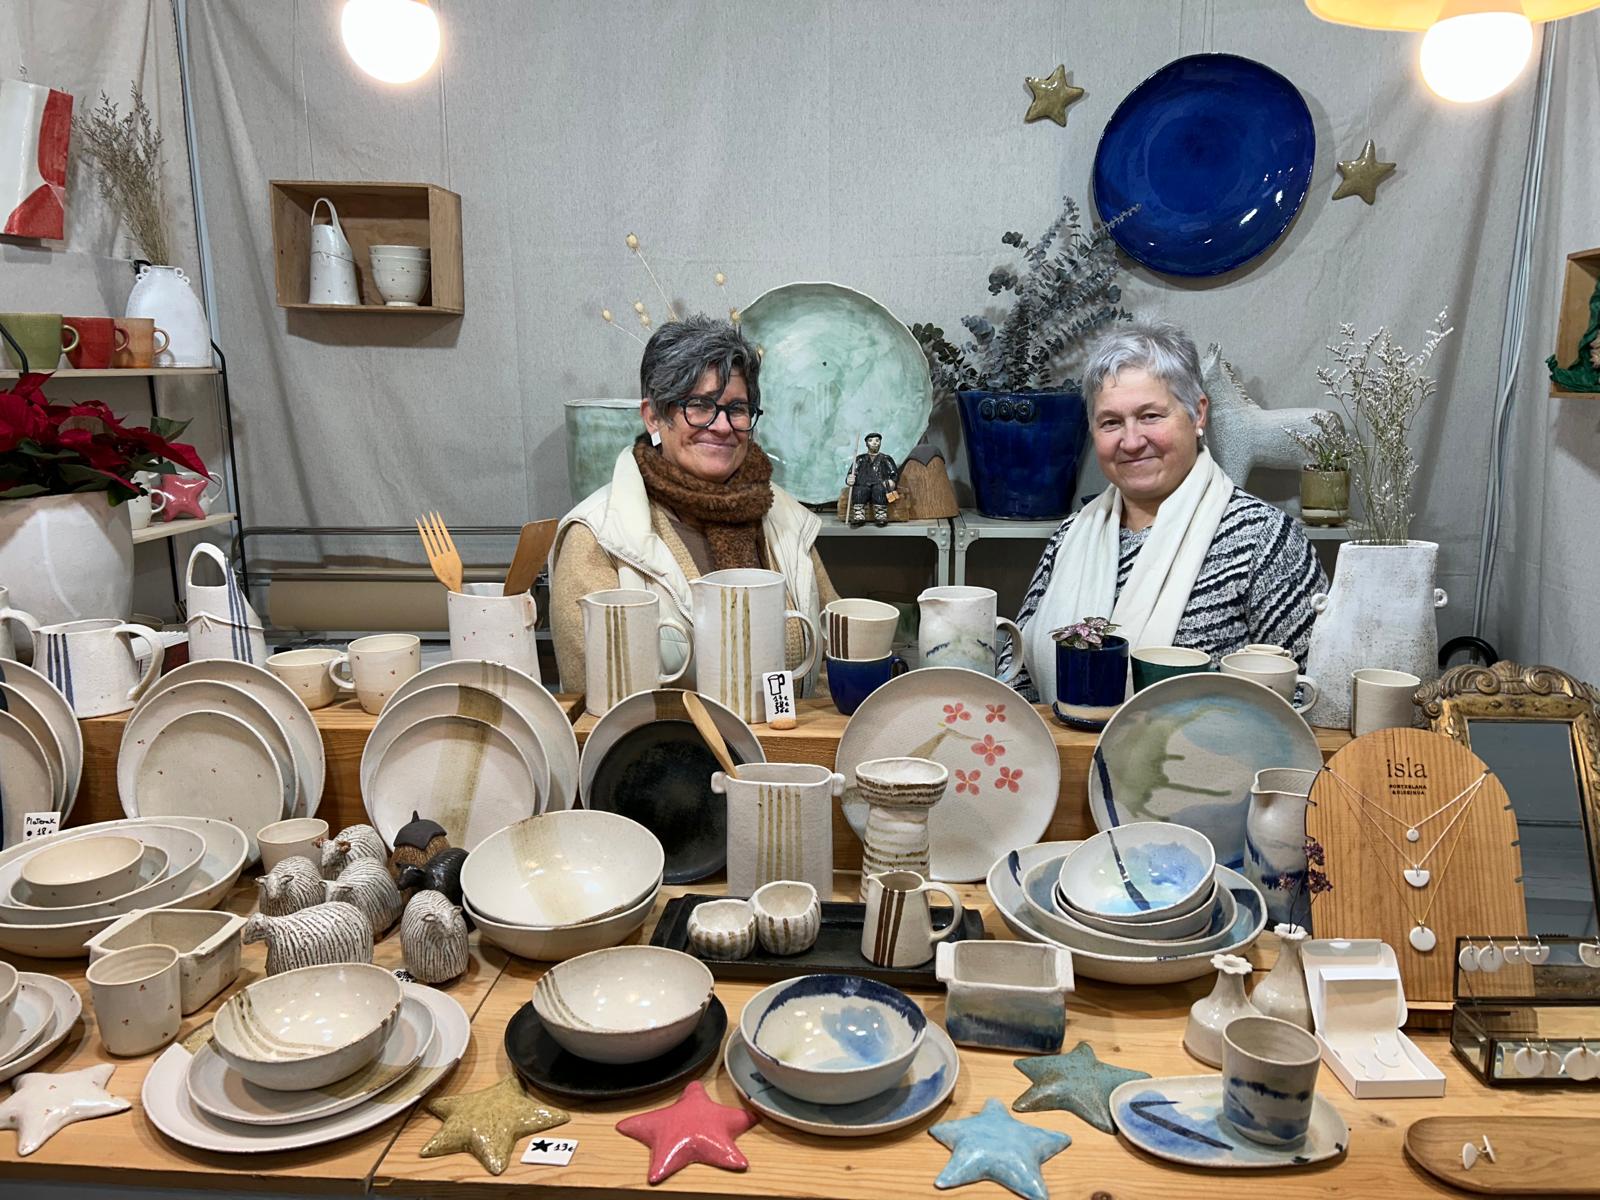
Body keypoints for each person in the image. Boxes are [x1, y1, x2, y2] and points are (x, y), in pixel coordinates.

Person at [1000, 320, 1328, 702]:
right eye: (1111, 422)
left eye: (1151, 416)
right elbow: (1016, 672)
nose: (1132, 441)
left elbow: (1310, 698)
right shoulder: (1072, 534)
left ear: (1198, 413)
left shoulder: (1265, 539)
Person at [551, 315, 839, 693]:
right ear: (654, 416)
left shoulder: (784, 519)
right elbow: (597, 703)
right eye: (699, 405)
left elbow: (829, 662)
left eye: (737, 409)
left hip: (785, 746)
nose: (722, 426)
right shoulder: (599, 538)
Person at [846, 432, 899, 526]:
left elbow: (893, 473)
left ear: (880, 443)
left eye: (877, 440)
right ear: (866, 443)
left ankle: (881, 515)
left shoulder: (886, 458)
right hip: (863, 484)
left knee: (879, 490)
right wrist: (849, 479)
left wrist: (892, 481)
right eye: (871, 441)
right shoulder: (859, 459)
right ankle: (859, 515)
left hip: (879, 483)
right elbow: (852, 473)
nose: (874, 443)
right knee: (859, 491)